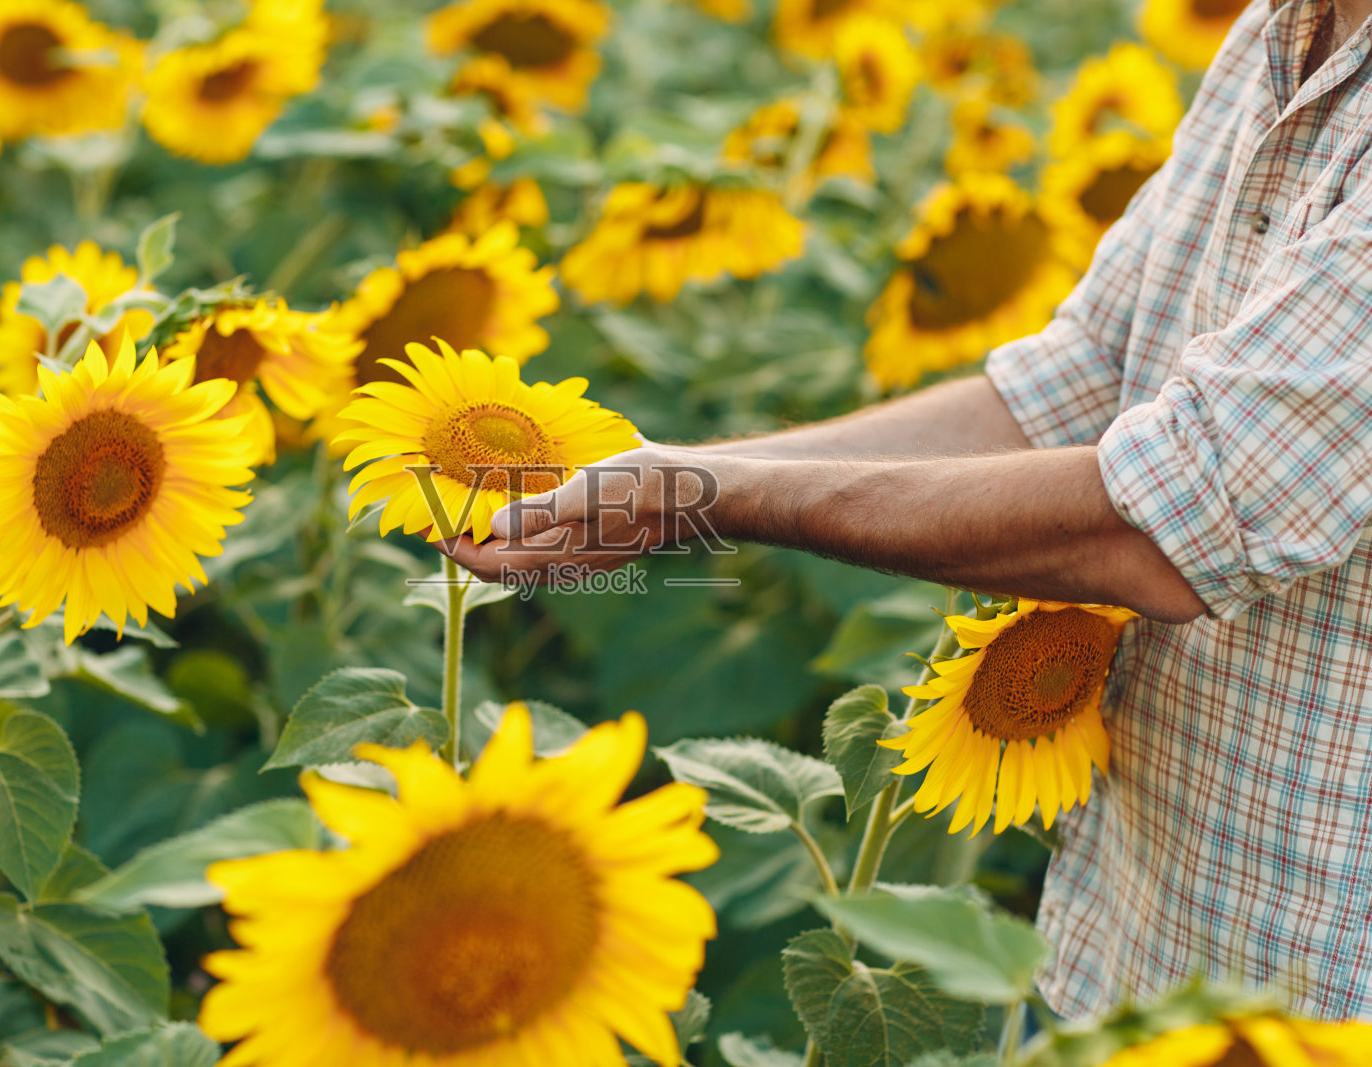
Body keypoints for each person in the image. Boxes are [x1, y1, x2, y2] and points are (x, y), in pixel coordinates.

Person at [442, 0, 1372, 1023]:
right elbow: (1077, 378)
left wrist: (711, 495)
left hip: (1311, 994)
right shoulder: (1280, 31)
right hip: (1129, 941)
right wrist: (678, 476)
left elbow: (1162, 520)